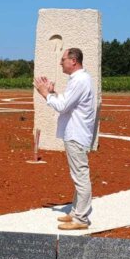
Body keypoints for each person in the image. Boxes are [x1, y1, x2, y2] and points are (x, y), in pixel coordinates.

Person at [34, 47, 96, 230]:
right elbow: (68, 104)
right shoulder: (79, 79)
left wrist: (45, 93)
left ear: (73, 61)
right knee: (78, 175)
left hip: (77, 134)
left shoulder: (80, 80)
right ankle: (76, 212)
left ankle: (81, 219)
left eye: (63, 59)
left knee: (81, 176)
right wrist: (52, 93)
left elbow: (62, 106)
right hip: (76, 133)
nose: (60, 62)